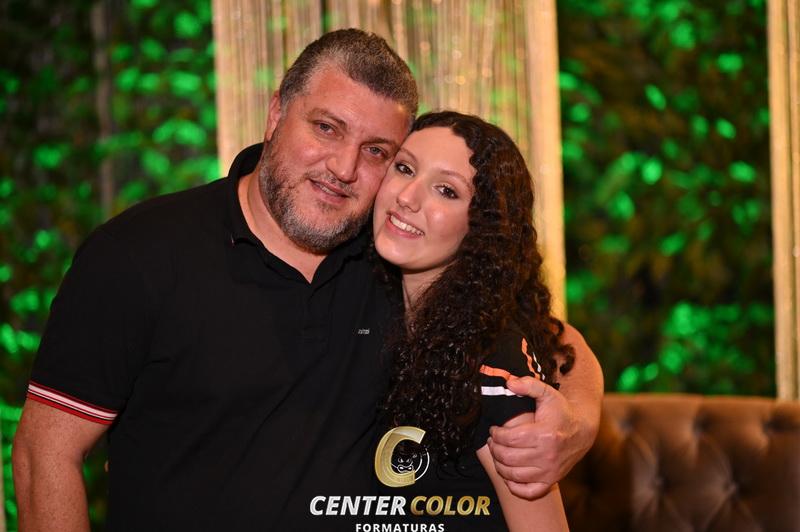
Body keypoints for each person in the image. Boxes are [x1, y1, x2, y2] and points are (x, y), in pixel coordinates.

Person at [12, 29, 602, 531]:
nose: (343, 168)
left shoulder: (393, 257)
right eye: (326, 128)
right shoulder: (139, 254)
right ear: (276, 114)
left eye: (377, 152)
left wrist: (577, 421)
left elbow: (550, 340)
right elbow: (45, 456)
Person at [371, 111, 580, 531]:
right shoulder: (373, 308)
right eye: (405, 168)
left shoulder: (493, 362)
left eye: (446, 190)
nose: (407, 197)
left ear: (481, 228)